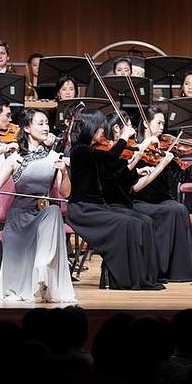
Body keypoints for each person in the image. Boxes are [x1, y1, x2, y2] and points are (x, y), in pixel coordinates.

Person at [0, 109, 76, 302]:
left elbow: (66, 193)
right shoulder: (15, 158)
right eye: (40, 123)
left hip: (42, 216)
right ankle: (27, 283)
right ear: (27, 128)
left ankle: (42, 268)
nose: (46, 128)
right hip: (19, 217)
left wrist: (65, 172)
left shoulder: (54, 156)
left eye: (47, 123)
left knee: (54, 210)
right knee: (49, 214)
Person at [66, 109, 163, 290]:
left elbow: (116, 172)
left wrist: (136, 166)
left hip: (99, 206)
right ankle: (124, 280)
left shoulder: (95, 151)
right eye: (100, 127)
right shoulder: (79, 151)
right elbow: (111, 158)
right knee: (126, 223)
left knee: (143, 221)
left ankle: (146, 277)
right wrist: (124, 138)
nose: (103, 130)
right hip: (82, 209)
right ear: (89, 128)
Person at [132, 106, 192, 281]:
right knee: (172, 211)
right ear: (145, 123)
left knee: (180, 209)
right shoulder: (135, 147)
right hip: (139, 201)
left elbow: (181, 176)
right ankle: (161, 268)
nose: (161, 128)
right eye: (158, 123)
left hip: (161, 199)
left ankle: (182, 268)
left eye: (163, 124)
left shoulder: (165, 148)